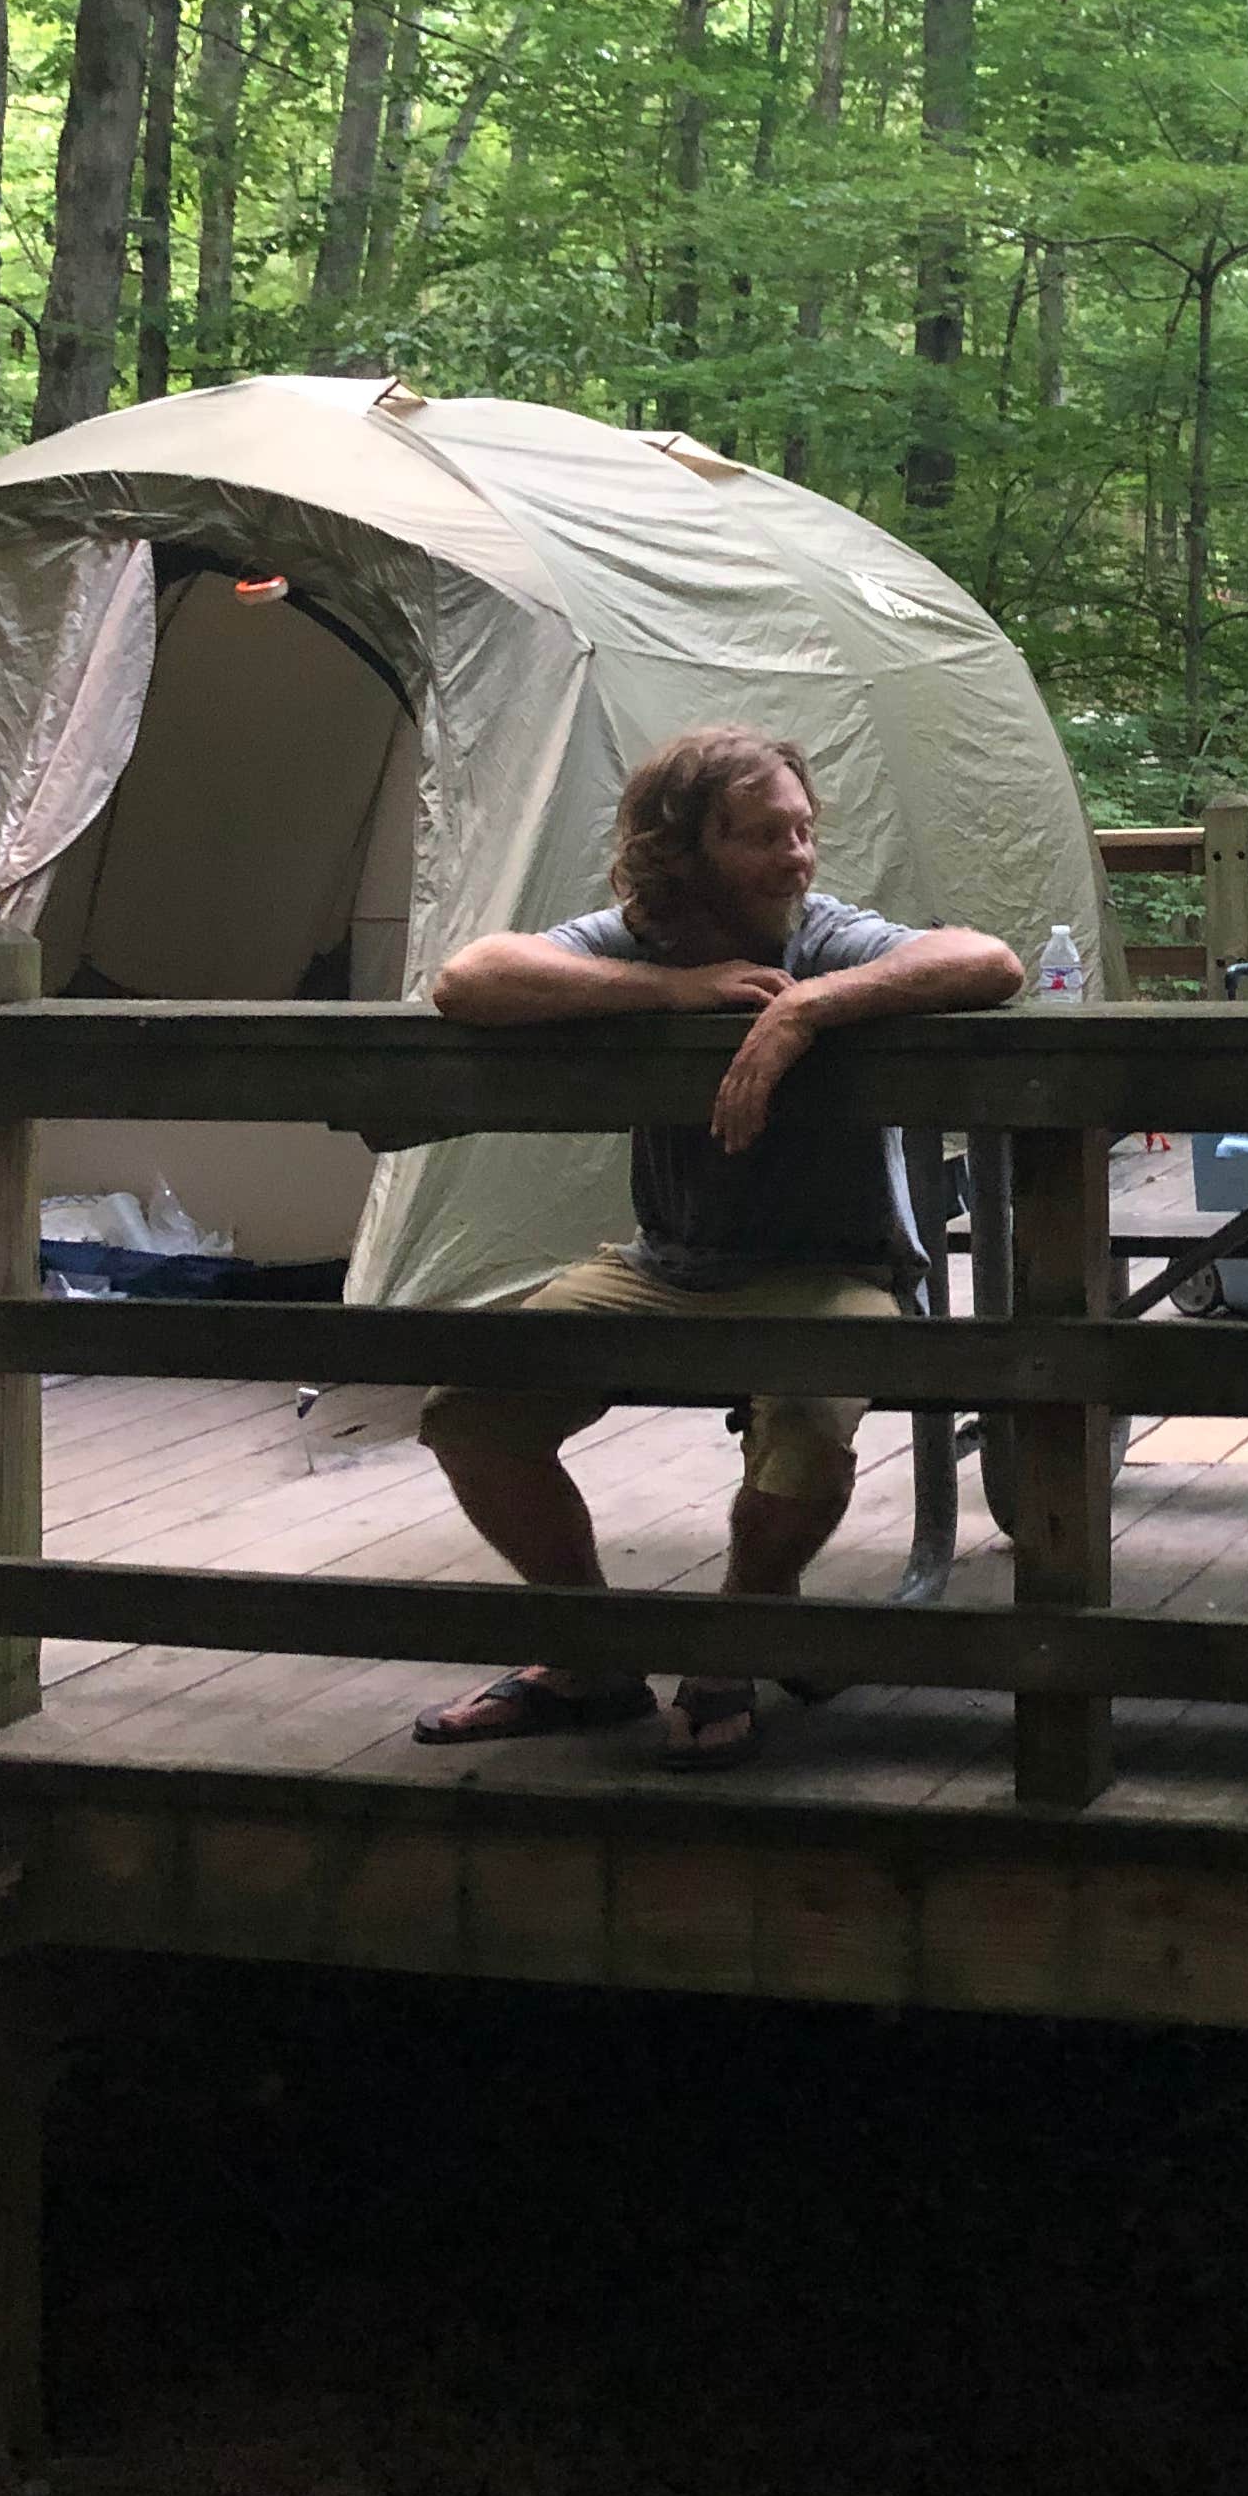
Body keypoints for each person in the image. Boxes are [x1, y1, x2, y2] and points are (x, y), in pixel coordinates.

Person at [410, 723, 1024, 1768]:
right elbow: (470, 979)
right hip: (664, 1268)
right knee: (472, 1408)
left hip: (833, 1272)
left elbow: (988, 960)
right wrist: (671, 994)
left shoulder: (820, 936)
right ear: (683, 849)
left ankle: (734, 1643)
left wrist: (807, 1011)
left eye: (804, 830)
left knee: (807, 1425)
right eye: (761, 836)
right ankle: (590, 1657)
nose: (796, 856)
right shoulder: (638, 940)